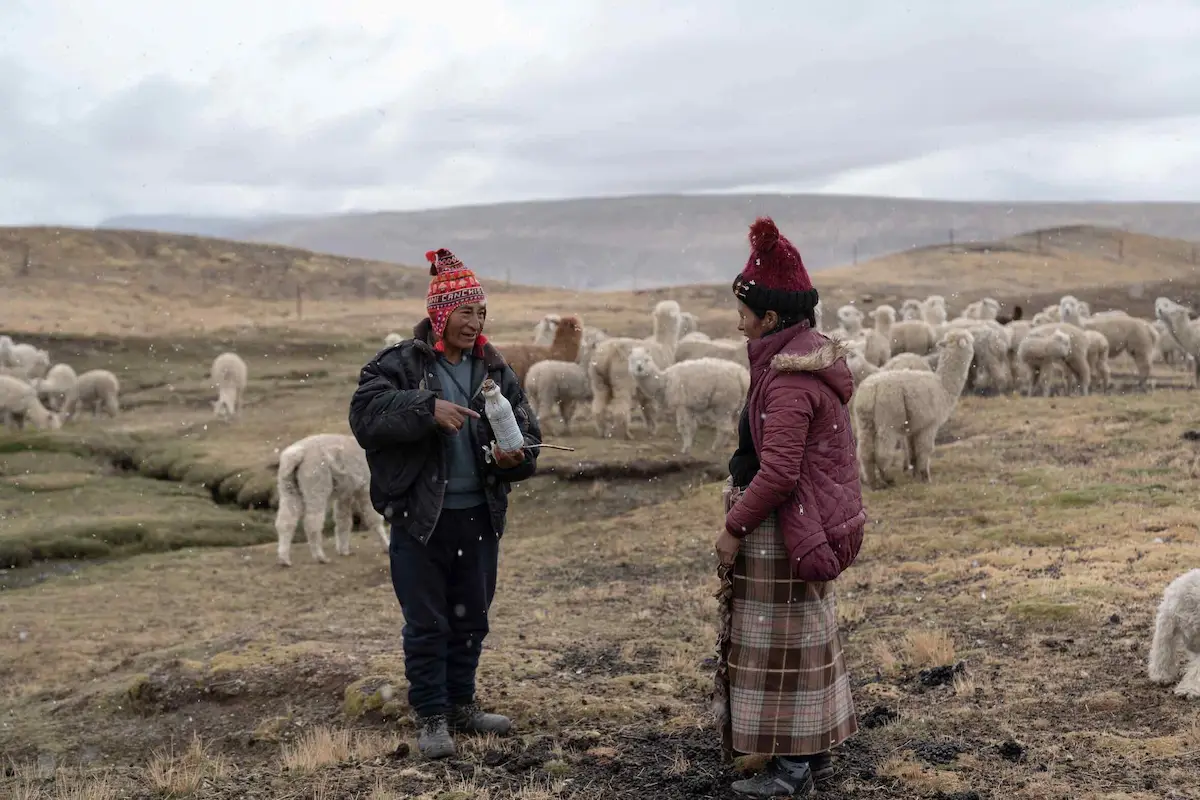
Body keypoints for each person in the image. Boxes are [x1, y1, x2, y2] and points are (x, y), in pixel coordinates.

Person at [348, 247, 541, 760]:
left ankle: (461, 705)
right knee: (428, 621)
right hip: (420, 518)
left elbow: (529, 438)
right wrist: (426, 408)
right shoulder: (400, 364)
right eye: (465, 312)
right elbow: (365, 417)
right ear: (440, 313)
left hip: (479, 515)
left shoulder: (495, 369)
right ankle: (432, 715)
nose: (474, 323)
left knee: (471, 616)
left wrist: (514, 458)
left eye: (481, 312)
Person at [712, 217, 865, 798]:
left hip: (787, 526)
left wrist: (734, 527)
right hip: (803, 520)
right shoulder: (795, 364)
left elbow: (778, 472)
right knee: (803, 638)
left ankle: (791, 768)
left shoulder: (789, 382)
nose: (740, 323)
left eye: (745, 314)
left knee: (780, 645)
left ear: (771, 319)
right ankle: (811, 751)